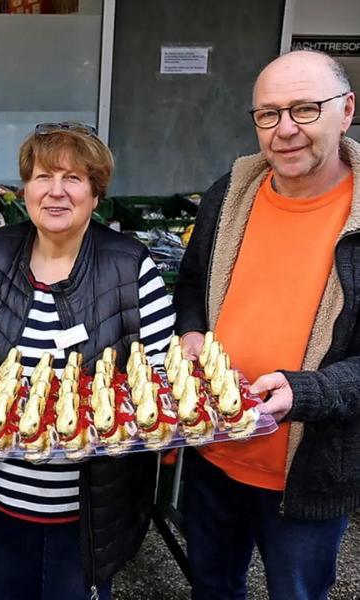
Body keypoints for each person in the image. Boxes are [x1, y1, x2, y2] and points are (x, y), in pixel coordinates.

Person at [0, 122, 175, 599]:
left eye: (73, 179)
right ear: (25, 188)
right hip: (4, 491)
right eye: (43, 177)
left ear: (96, 194)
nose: (55, 192)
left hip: (89, 506)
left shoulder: (130, 266)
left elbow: (159, 373)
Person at [174, 50, 357, 600]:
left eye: (305, 109)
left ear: (346, 110)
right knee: (210, 585)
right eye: (269, 114)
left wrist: (305, 392)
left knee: (296, 593)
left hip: (306, 473)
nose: (286, 130)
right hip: (212, 451)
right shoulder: (230, 195)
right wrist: (190, 332)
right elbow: (190, 285)